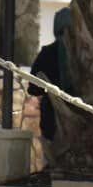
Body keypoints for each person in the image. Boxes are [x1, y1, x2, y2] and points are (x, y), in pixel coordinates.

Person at [28, 8, 75, 142]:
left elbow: (33, 89)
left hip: (51, 121)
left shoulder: (46, 54)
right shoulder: (83, 54)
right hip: (80, 120)